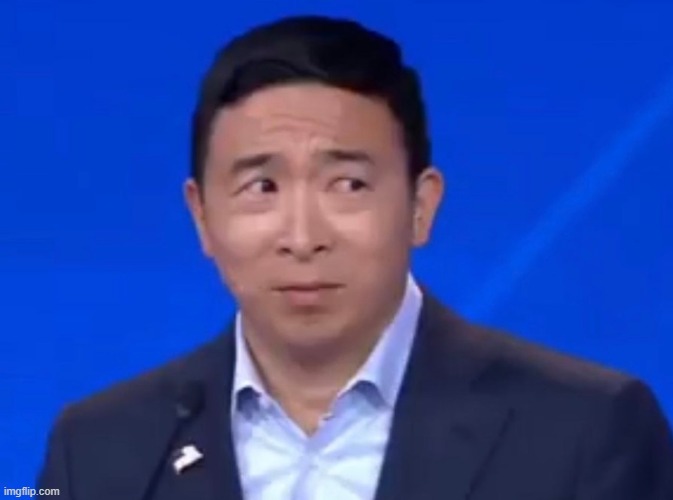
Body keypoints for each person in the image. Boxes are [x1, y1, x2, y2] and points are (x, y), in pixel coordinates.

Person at [37, 15, 673, 500]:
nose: (302, 237)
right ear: (201, 216)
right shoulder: (94, 448)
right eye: (262, 186)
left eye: (348, 184)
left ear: (421, 206)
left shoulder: (587, 428)